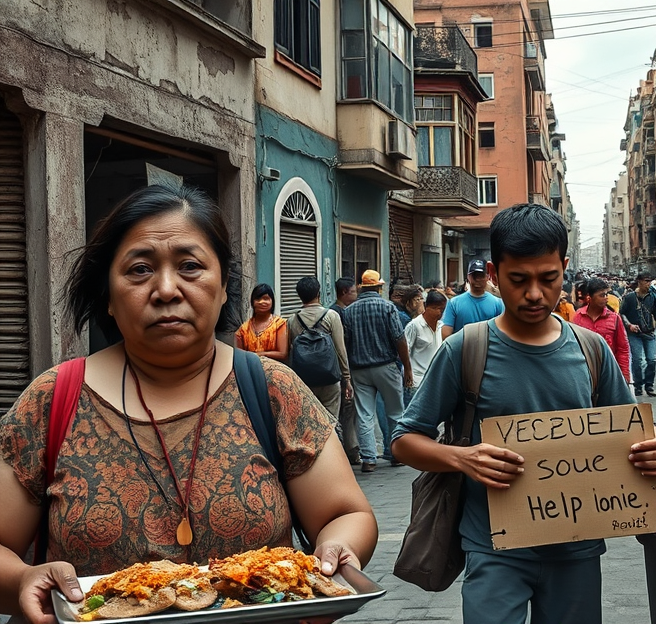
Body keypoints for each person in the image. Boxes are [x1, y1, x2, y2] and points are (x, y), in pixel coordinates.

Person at [0, 185, 377, 623]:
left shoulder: (273, 389)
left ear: (223, 286)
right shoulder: (51, 399)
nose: (166, 289)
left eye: (190, 267)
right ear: (108, 295)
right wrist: (21, 579)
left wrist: (337, 548)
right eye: (140, 269)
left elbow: (346, 514)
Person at [391, 203, 656, 624]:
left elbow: (632, 432)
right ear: (494, 272)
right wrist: (463, 458)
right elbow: (403, 441)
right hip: (493, 547)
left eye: (548, 278)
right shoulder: (464, 350)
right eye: (519, 280)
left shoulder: (590, 350)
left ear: (565, 268)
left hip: (576, 549)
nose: (535, 294)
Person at [342, 269, 413, 472]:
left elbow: (346, 343)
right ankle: (396, 454)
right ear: (379, 287)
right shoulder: (387, 307)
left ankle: (369, 459)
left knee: (364, 414)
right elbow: (399, 338)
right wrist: (407, 368)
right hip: (386, 367)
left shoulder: (349, 311)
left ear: (362, 287)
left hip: (359, 370)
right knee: (395, 412)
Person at [287, 276, 353, 419]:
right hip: (329, 378)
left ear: (299, 296)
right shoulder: (331, 316)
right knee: (331, 420)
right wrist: (347, 379)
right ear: (319, 293)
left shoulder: (292, 320)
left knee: (309, 420)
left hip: (304, 380)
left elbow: (291, 351)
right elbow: (340, 350)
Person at [572, 278, 631, 382]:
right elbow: (573, 347)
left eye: (606, 294)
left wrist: (624, 376)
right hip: (584, 373)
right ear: (589, 297)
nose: (606, 298)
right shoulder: (578, 317)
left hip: (608, 372)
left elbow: (623, 349)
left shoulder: (614, 318)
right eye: (602, 295)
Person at [330, 276, 361, 464]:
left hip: (335, 370)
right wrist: (346, 376)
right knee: (347, 411)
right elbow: (342, 347)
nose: (356, 295)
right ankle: (350, 450)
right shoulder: (339, 314)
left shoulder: (333, 311)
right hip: (343, 370)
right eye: (353, 291)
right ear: (344, 293)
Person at [620, 272, 656, 397]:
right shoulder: (629, 297)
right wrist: (629, 325)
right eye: (646, 281)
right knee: (637, 360)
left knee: (651, 359)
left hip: (649, 333)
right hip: (634, 334)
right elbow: (621, 313)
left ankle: (649, 385)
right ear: (639, 282)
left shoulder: (652, 297)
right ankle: (638, 386)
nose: (648, 284)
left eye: (650, 281)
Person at [441, 259, 505, 340]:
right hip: (463, 347)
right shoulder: (453, 304)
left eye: (481, 276)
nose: (478, 280)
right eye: (474, 276)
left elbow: (502, 333)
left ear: (487, 277)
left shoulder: (497, 303)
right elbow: (446, 335)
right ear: (468, 277)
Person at [403, 290, 447, 403]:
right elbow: (404, 351)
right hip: (417, 382)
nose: (439, 312)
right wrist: (407, 372)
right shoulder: (414, 325)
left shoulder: (441, 327)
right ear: (426, 306)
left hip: (435, 382)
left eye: (442, 309)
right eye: (435, 308)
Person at [234, 283, 289, 362]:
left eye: (266, 299)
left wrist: (260, 354)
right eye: (258, 299)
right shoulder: (244, 329)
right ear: (252, 302)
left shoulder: (279, 324)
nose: (261, 302)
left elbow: (282, 354)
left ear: (272, 301)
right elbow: (240, 356)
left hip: (276, 367)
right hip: (251, 367)